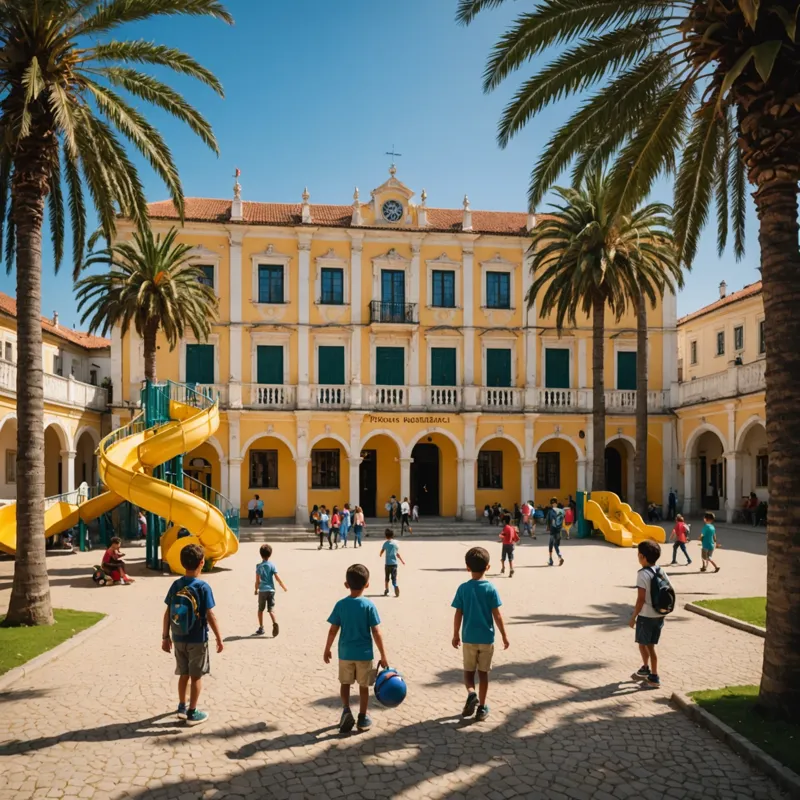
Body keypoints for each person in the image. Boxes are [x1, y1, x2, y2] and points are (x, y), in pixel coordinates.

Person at [161, 544, 223, 726]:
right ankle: (192, 712)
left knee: (183, 673)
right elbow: (210, 615)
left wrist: (165, 637)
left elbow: (167, 612)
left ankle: (181, 706)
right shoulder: (203, 587)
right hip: (197, 639)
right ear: (202, 562)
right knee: (196, 676)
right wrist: (219, 638)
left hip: (178, 637)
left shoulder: (176, 585)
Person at [323, 564, 389, 733]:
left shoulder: (341, 605)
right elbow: (376, 631)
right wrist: (383, 654)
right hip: (364, 655)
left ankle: (346, 710)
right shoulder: (369, 605)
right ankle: (362, 717)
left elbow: (333, 629)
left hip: (345, 653)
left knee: (345, 683)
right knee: (363, 686)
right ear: (367, 584)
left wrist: (327, 648)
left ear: (346, 584)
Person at [451, 546, 509, 722]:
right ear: (488, 567)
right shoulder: (490, 589)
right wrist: (505, 636)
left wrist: (455, 634)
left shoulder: (463, 589)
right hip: (486, 638)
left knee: (469, 673)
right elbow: (497, 614)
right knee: (483, 674)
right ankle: (482, 707)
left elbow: (458, 613)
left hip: (469, 638)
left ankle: (471, 693)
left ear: (467, 567)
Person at [629, 539, 667, 688]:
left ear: (643, 557)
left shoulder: (642, 574)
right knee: (648, 644)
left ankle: (654, 675)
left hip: (646, 615)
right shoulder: (660, 570)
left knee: (646, 645)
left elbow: (640, 599)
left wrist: (633, 617)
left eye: (639, 554)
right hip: (659, 614)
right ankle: (645, 668)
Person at [254, 543, 288, 637]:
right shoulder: (272, 565)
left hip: (262, 590)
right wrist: (283, 586)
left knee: (260, 609)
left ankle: (261, 627)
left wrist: (256, 589)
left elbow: (257, 580)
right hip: (271, 591)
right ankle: (275, 622)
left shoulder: (258, 566)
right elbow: (277, 578)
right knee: (271, 609)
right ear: (270, 554)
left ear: (260, 554)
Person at [380, 528, 405, 597]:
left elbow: (382, 550)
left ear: (386, 536)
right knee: (394, 578)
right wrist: (402, 560)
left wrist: (380, 554)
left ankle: (386, 589)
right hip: (394, 564)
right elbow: (397, 553)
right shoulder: (395, 544)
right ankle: (395, 585)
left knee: (386, 578)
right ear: (393, 535)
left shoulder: (385, 543)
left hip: (387, 564)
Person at [546, 497, 565, 567]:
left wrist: (548, 527)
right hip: (559, 531)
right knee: (556, 544)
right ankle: (559, 556)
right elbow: (563, 519)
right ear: (556, 503)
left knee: (551, 545)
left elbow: (548, 521)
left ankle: (552, 559)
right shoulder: (561, 511)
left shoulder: (550, 512)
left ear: (551, 504)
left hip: (553, 530)